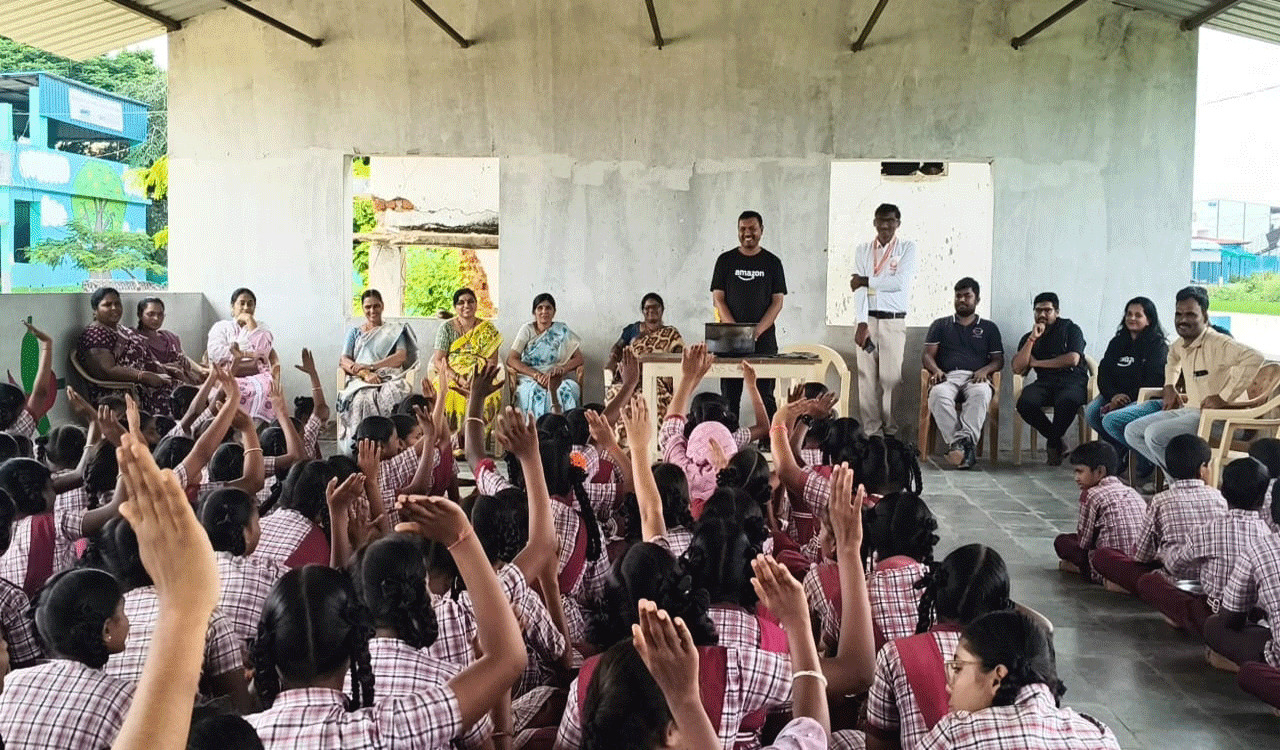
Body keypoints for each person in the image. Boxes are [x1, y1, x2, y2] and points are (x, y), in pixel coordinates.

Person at [246, 494, 527, 749]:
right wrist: (460, 536)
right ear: (356, 642)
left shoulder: (239, 736)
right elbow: (509, 658)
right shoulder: (389, 727)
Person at [917, 610, 1121, 749]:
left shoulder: (956, 735)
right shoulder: (1098, 735)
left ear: (997, 678)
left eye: (959, 668)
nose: (948, 684)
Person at [1125, 286, 1264, 477]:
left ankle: (1183, 485)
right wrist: (1169, 386)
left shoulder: (1218, 343)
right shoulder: (1181, 344)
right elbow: (1172, 359)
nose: (1182, 320)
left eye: (1190, 314)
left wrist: (1222, 398)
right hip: (1193, 411)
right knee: (1132, 431)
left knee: (1155, 435)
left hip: (1224, 418)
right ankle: (1185, 480)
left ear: (1205, 317)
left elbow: (1255, 357)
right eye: (1178, 314)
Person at [1138, 456, 1271, 636]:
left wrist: (1163, 552)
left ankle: (1182, 619)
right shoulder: (1268, 534)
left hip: (1212, 614)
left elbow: (1173, 566)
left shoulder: (1207, 530)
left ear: (1223, 491)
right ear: (1262, 500)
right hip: (1254, 617)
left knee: (1149, 582)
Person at [0, 568, 133, 749]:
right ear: (106, 630)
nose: (128, 621)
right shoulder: (125, 697)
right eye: (123, 611)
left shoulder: (12, 681)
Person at [1092, 434, 1227, 595]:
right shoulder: (1219, 498)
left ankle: (1133, 588)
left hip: (1171, 578)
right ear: (1203, 468)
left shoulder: (1161, 500)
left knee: (1103, 556)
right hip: (1211, 578)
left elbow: (1142, 556)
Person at [710, 210, 787, 422]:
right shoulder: (725, 261)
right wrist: (737, 332)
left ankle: (769, 444)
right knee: (729, 398)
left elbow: (777, 302)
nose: (747, 233)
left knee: (765, 397)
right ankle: (729, 443)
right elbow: (718, 298)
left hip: (764, 341)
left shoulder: (773, 262)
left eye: (752, 228)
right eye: (743, 229)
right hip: (730, 341)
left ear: (761, 230)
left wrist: (756, 332)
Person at [851, 203, 917, 437]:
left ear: (898, 223)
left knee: (891, 379)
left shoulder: (907, 249)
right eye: (881, 220)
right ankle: (872, 431)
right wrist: (861, 323)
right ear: (874, 223)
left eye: (890, 221)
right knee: (866, 379)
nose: (885, 225)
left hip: (893, 322)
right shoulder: (863, 250)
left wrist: (866, 281)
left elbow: (898, 283)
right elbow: (857, 290)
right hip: (868, 320)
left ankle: (890, 430)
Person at [923, 277, 1003, 469]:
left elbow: (998, 360)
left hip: (976, 378)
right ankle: (964, 446)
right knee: (937, 395)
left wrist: (985, 370)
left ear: (977, 299)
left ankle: (958, 447)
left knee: (982, 394)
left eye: (967, 296)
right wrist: (936, 370)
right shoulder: (940, 325)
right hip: (947, 377)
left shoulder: (989, 328)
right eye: (958, 296)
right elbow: (927, 356)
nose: (962, 300)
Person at [1085, 297, 1169, 478]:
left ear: (1149, 319)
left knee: (1111, 420)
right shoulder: (1117, 342)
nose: (1132, 318)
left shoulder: (1158, 346)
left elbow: (1154, 379)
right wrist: (1113, 396)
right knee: (1091, 413)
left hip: (1143, 398)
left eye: (1138, 315)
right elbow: (1104, 373)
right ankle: (1121, 449)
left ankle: (1144, 458)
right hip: (1114, 395)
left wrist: (1125, 399)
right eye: (1129, 314)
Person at [337, 289, 421, 453]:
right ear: (363, 308)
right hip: (360, 378)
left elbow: (401, 357)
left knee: (389, 395)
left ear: (382, 306)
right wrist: (364, 373)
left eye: (376, 306)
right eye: (368, 307)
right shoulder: (354, 333)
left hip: (389, 376)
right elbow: (344, 360)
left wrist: (372, 367)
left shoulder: (395, 331)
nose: (372, 310)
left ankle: (391, 446)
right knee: (361, 399)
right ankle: (360, 447)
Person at [1013, 292, 1089, 466]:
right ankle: (1057, 441)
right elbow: (1017, 367)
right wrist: (1032, 339)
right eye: (1038, 310)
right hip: (1045, 383)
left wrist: (1038, 363)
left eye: (1047, 310)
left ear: (1057, 312)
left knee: (1067, 401)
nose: (1042, 315)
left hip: (1072, 380)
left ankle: (1053, 443)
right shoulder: (1030, 336)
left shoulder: (1071, 329)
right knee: (1025, 403)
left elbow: (1073, 359)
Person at [1053, 441, 1146, 584]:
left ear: (1100, 472)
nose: (1076, 478)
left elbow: (1084, 543)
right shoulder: (1131, 491)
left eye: (1080, 471)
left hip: (1107, 563)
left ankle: (1082, 569)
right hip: (1137, 564)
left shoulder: (1091, 494)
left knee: (1063, 542)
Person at [77, 287, 174, 415]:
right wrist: (143, 376)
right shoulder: (95, 333)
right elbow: (106, 370)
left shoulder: (120, 329)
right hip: (122, 393)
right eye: (107, 305)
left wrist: (163, 368)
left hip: (145, 383)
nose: (114, 308)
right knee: (180, 400)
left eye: (117, 304)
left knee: (188, 391)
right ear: (95, 310)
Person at [431, 288, 503, 448]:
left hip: (480, 375)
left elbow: (492, 362)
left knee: (489, 395)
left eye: (470, 301)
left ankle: (473, 442)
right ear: (455, 307)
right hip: (451, 374)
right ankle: (452, 444)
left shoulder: (487, 329)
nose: (466, 305)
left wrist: (478, 380)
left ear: (476, 304)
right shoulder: (446, 328)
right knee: (447, 394)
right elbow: (439, 359)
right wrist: (457, 378)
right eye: (461, 302)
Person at [605, 293, 685, 419]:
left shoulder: (671, 333)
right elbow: (618, 348)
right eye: (647, 308)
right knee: (617, 395)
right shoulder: (632, 330)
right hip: (630, 377)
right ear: (642, 311)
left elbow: (679, 355)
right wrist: (614, 357)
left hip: (657, 379)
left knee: (653, 397)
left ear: (662, 310)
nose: (651, 310)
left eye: (655, 307)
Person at [206, 288, 279, 422]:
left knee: (266, 388)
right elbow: (215, 352)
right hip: (230, 372)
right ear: (232, 307)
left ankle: (255, 431)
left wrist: (250, 322)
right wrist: (245, 355)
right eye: (242, 303)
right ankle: (236, 430)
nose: (246, 308)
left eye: (250, 304)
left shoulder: (261, 327)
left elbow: (264, 352)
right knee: (238, 390)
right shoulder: (221, 327)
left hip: (257, 373)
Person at [507, 293, 584, 419]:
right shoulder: (526, 330)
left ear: (554, 312)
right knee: (532, 393)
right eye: (540, 308)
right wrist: (536, 375)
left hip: (557, 376)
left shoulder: (561, 330)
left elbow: (579, 358)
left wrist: (562, 369)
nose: (544, 311)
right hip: (530, 377)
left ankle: (565, 432)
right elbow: (512, 358)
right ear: (534, 312)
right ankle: (534, 434)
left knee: (566, 391)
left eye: (548, 308)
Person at [135, 297, 206, 385]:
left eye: (160, 314)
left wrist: (201, 370)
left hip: (184, 380)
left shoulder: (169, 337)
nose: (156, 318)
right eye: (150, 314)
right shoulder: (135, 339)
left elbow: (183, 357)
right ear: (140, 315)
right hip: (157, 384)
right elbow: (139, 366)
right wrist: (167, 368)